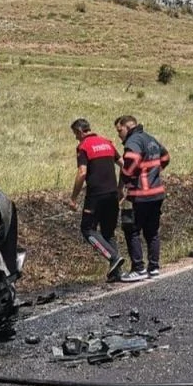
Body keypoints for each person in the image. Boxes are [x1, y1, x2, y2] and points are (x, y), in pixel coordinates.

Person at [67, 118, 126, 281]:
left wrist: (73, 198)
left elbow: (82, 172)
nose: (75, 138)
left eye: (75, 134)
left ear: (80, 131)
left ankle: (113, 257)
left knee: (87, 229)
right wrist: (120, 188)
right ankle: (116, 273)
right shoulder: (107, 143)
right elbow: (124, 165)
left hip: (96, 196)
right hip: (112, 194)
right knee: (108, 233)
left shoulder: (83, 146)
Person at [114, 115, 170, 281]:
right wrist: (154, 172)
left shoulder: (133, 141)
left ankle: (138, 268)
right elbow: (165, 157)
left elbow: (131, 163)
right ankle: (154, 267)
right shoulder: (150, 138)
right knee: (152, 231)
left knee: (132, 230)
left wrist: (125, 181)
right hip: (156, 192)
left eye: (119, 130)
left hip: (140, 194)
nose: (119, 135)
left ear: (127, 127)